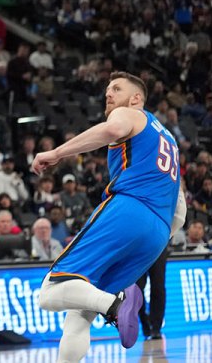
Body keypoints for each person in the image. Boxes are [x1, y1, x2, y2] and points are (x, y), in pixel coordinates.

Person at [32, 72, 186, 360]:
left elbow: (111, 131)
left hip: (130, 210)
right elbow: (181, 209)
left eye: (116, 88)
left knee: (50, 292)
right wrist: (161, 235)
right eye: (107, 91)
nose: (109, 94)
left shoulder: (130, 114)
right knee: (79, 314)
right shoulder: (169, 141)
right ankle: (110, 305)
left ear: (136, 98)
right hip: (159, 232)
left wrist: (57, 152)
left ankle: (115, 305)